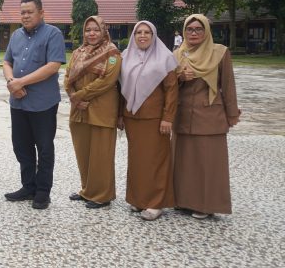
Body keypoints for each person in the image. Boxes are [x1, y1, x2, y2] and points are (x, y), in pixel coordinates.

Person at [173, 14, 240, 219]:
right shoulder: (177, 54)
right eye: (189, 29)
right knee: (184, 161)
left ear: (206, 31)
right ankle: (183, 201)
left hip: (210, 115)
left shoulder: (220, 52)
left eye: (198, 29)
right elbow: (167, 85)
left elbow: (228, 85)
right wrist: (179, 77)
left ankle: (206, 205)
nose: (193, 33)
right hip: (182, 115)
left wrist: (232, 114)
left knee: (207, 162)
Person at [2, 0, 66, 210]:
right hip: (18, 102)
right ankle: (28, 186)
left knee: (44, 148)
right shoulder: (16, 36)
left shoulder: (53, 34)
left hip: (43, 103)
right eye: (22, 12)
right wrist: (12, 82)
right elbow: (7, 61)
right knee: (21, 146)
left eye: (30, 12)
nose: (25, 16)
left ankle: (43, 192)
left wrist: (21, 82)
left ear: (41, 13)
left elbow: (53, 66)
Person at [118, 21, 178, 221]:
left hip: (156, 118)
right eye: (139, 32)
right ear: (133, 36)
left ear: (154, 36)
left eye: (147, 32)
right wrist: (120, 115)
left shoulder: (165, 58)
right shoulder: (125, 57)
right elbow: (120, 90)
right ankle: (139, 199)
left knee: (156, 160)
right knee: (137, 161)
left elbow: (171, 90)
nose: (142, 36)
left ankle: (156, 202)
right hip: (132, 117)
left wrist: (168, 117)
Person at [64, 16, 121, 209]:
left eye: (96, 30)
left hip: (101, 110)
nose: (92, 33)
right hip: (79, 110)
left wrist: (79, 95)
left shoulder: (112, 53)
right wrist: (73, 96)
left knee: (101, 155)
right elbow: (67, 76)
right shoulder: (78, 52)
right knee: (83, 152)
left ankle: (102, 195)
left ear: (104, 31)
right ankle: (87, 190)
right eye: (88, 30)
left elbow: (107, 81)